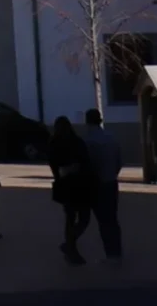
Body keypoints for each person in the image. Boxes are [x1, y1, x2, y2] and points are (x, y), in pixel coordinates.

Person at [50, 116, 93, 264]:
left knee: (69, 217)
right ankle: (70, 245)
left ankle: (70, 246)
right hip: (80, 185)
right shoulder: (77, 142)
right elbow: (86, 162)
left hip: (64, 186)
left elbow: (53, 166)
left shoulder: (53, 144)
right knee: (84, 217)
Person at [83, 108, 125, 259]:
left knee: (103, 220)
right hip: (111, 182)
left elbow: (87, 165)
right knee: (112, 218)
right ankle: (117, 250)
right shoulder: (111, 137)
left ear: (87, 121)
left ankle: (110, 252)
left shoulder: (87, 141)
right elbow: (119, 162)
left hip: (96, 185)